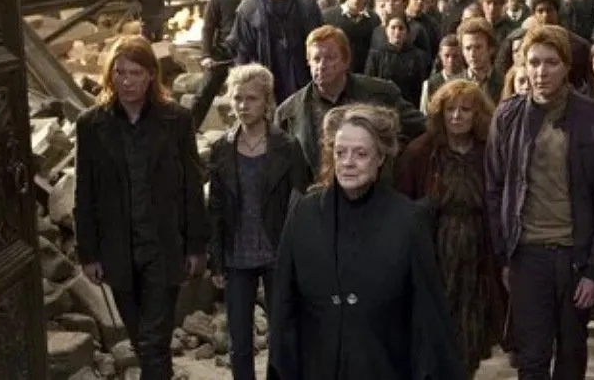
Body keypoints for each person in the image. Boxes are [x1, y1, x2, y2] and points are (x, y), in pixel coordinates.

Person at [268, 103, 465, 380]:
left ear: (381, 157)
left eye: (360, 154)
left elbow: (427, 317)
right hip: (317, 366)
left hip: (383, 365)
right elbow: (284, 306)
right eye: (340, 152)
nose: (348, 162)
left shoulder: (407, 219)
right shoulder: (304, 214)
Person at [484, 24, 594, 379]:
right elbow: (495, 189)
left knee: (571, 356)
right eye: (534, 62)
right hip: (527, 255)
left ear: (566, 67)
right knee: (531, 358)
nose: (541, 72)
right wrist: (504, 256)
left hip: (575, 256)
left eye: (551, 63)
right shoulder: (508, 116)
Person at [74, 35, 208, 380]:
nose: (126, 81)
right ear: (110, 75)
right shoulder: (90, 125)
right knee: (142, 340)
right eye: (119, 72)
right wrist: (88, 253)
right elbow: (83, 194)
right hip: (117, 249)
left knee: (152, 342)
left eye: (135, 73)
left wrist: (196, 246)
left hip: (163, 247)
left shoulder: (177, 120)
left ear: (151, 75)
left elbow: (192, 187)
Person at [208, 63, 311, 380]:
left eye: (251, 98)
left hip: (277, 253)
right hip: (237, 254)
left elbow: (302, 203)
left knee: (282, 335)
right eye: (237, 98)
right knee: (239, 341)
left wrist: (300, 257)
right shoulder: (221, 148)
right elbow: (215, 208)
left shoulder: (287, 147)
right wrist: (216, 261)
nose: (243, 106)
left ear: (266, 101)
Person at [396, 80, 502, 378]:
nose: (457, 116)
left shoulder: (489, 152)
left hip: (477, 259)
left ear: (477, 115)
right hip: (435, 258)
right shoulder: (421, 152)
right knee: (434, 336)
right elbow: (403, 205)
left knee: (470, 337)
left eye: (465, 110)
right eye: (450, 109)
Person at [276, 25, 425, 172]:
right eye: (316, 59)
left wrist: (399, 163)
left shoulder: (381, 94)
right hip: (315, 185)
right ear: (308, 62)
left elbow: (423, 128)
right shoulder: (288, 113)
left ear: (346, 61)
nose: (321, 65)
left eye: (330, 58)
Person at [225, 0, 323, 103]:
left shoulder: (307, 4)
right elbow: (242, 54)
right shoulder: (249, 9)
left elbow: (321, 42)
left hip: (303, 80)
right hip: (265, 84)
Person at [192, 0, 249, 128]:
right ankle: (186, 134)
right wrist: (206, 55)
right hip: (223, 54)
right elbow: (208, 29)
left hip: (247, 55)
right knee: (203, 93)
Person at [364, 13, 431, 106]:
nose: (397, 32)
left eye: (401, 28)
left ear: (407, 32)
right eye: (393, 28)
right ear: (386, 30)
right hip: (382, 105)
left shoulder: (417, 56)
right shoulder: (376, 55)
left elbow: (420, 87)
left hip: (408, 105)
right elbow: (369, 83)